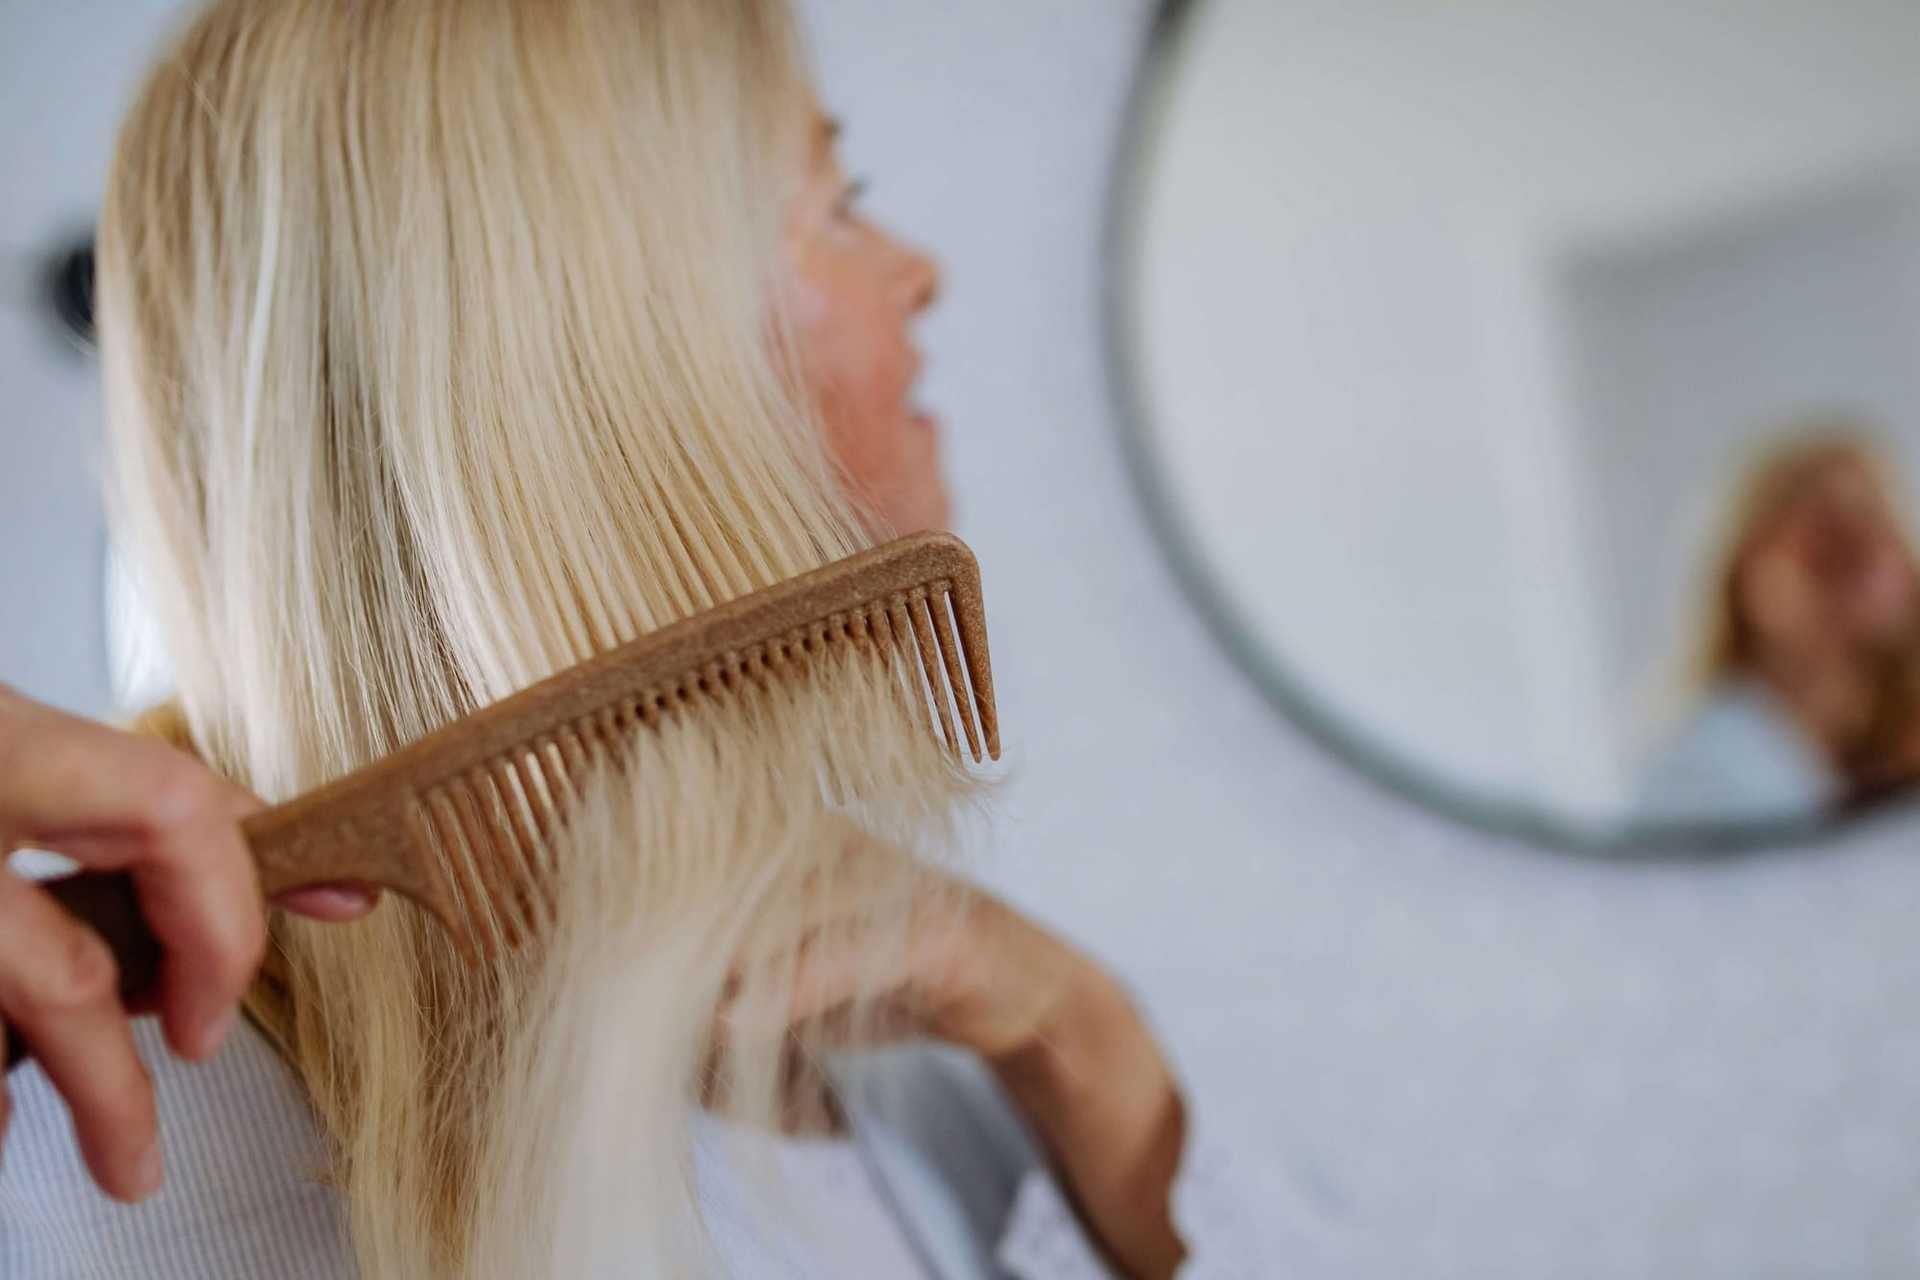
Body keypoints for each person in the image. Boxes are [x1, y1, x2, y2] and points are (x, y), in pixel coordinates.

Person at [0, 2, 1322, 1276]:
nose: (921, 272)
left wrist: (1075, 1029)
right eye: (836, 204)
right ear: (616, 354)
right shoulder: (107, 1149)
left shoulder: (900, 1036)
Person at [1638, 432, 1920, 825]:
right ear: (1742, 576)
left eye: (1875, 524)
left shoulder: (1894, 760)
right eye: (1825, 542)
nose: (1858, 548)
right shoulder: (1699, 779)